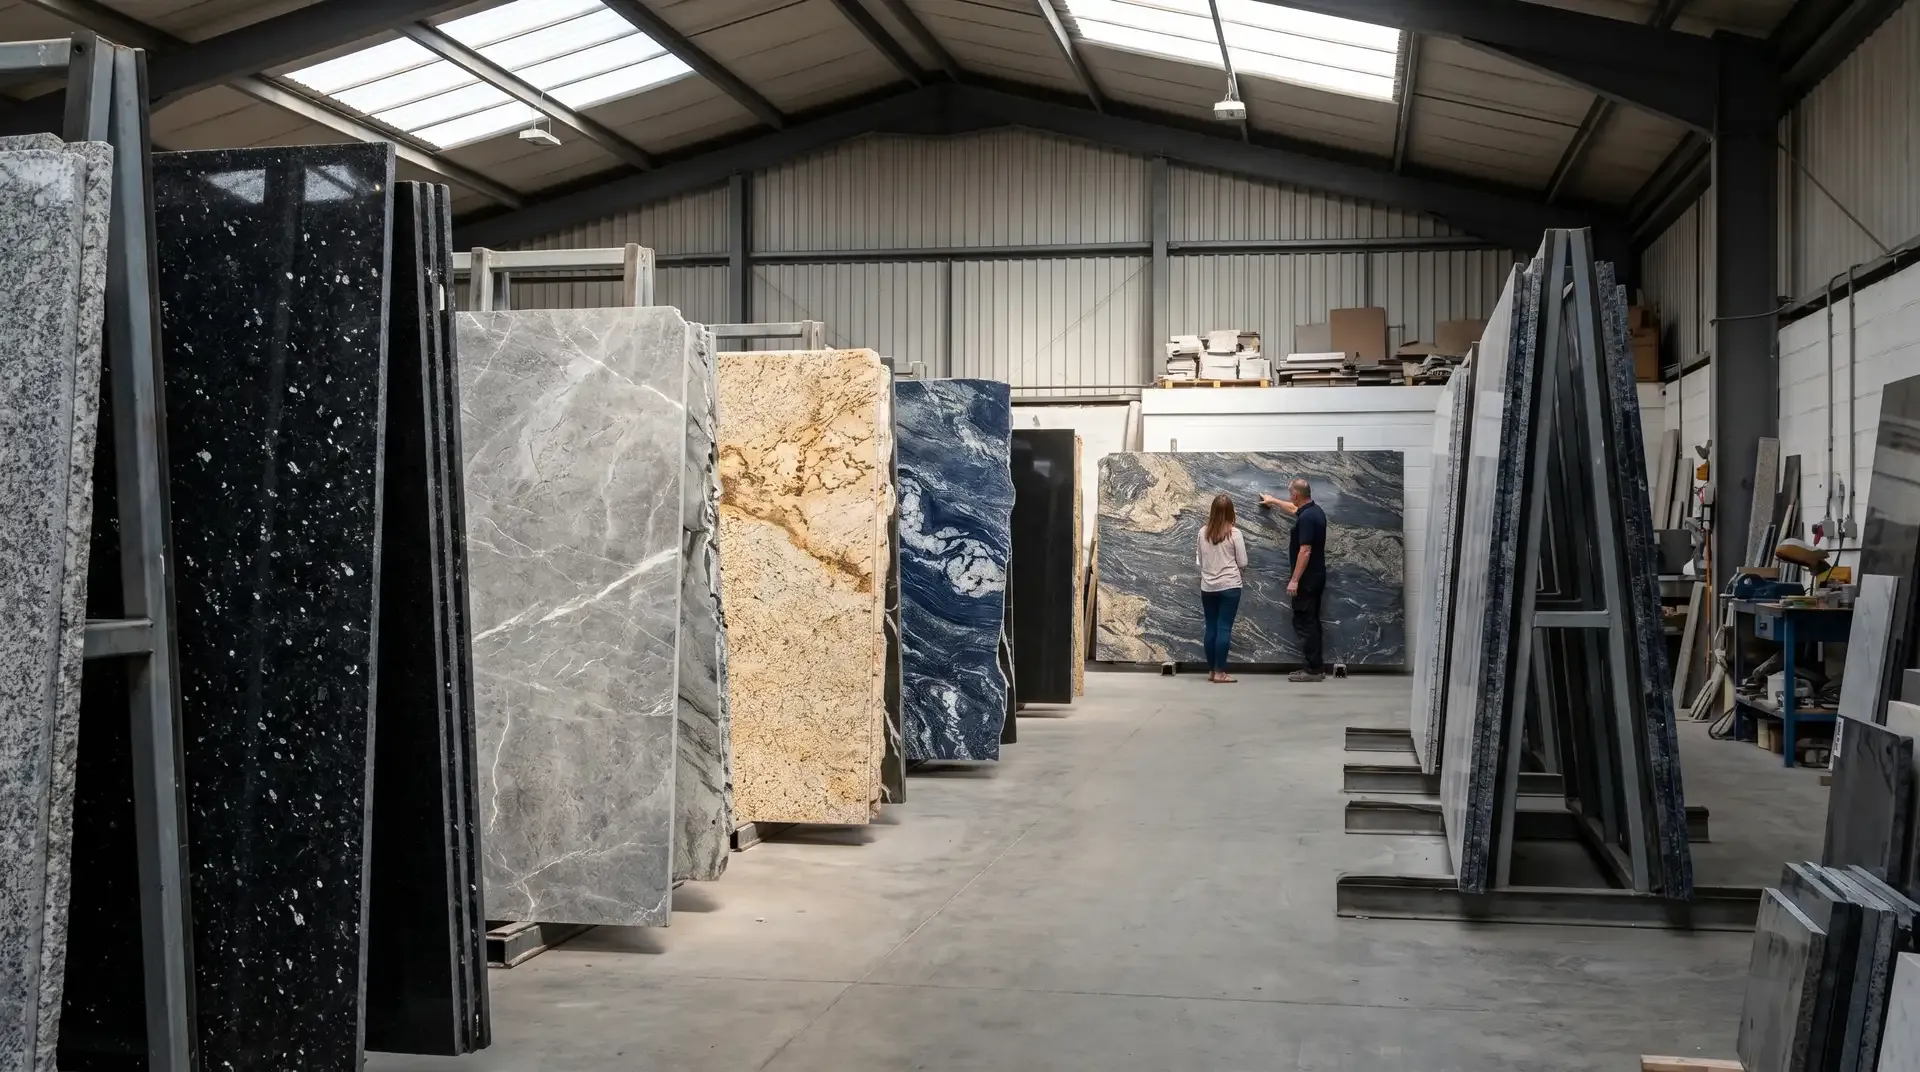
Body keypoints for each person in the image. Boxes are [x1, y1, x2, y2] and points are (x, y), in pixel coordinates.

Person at [1260, 479, 1328, 682]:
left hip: (1306, 581)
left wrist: (1295, 580)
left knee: (1305, 623)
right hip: (1316, 577)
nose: (1290, 498)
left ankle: (1313, 670)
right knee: (1312, 621)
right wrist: (1273, 501)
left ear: (1296, 495)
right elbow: (1293, 509)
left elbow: (1305, 551)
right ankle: (1315, 667)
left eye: (1291, 495)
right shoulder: (1315, 511)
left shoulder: (1307, 518)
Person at [1195, 493, 1248, 683]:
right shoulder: (1235, 534)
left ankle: (1211, 671)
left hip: (1207, 586)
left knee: (1211, 627)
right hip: (1230, 587)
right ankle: (1220, 673)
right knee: (1224, 628)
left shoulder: (1203, 532)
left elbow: (1199, 560)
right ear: (1231, 512)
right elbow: (1243, 561)